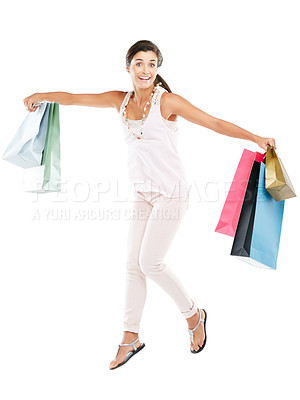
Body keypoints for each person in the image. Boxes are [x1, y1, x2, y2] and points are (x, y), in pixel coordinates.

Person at [23, 39, 276, 370]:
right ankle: (130, 338)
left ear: (158, 69)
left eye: (152, 64)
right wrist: (41, 95)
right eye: (139, 63)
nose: (145, 70)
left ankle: (193, 315)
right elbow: (74, 99)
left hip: (172, 192)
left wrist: (256, 137)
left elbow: (213, 122)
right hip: (142, 193)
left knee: (150, 262)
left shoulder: (167, 102)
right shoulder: (121, 101)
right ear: (128, 67)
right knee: (132, 264)